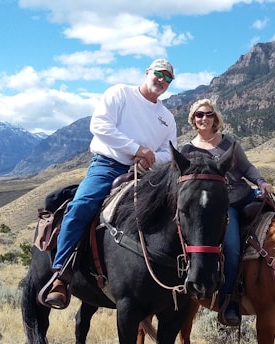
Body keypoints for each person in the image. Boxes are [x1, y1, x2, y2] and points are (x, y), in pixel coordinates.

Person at [44, 58, 178, 309]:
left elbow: (170, 152)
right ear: (147, 72)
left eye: (168, 78)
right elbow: (100, 125)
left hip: (147, 175)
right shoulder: (120, 93)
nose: (162, 80)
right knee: (81, 206)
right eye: (159, 74)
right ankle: (60, 275)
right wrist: (136, 149)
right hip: (108, 166)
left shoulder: (167, 118)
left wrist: (148, 158)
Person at [180, 98, 274, 326]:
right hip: (222, 204)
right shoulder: (187, 150)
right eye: (200, 114)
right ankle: (228, 301)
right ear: (193, 120)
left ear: (215, 118)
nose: (204, 118)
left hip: (246, 194)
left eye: (209, 114)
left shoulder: (229, 142)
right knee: (231, 248)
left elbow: (246, 167)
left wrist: (261, 182)